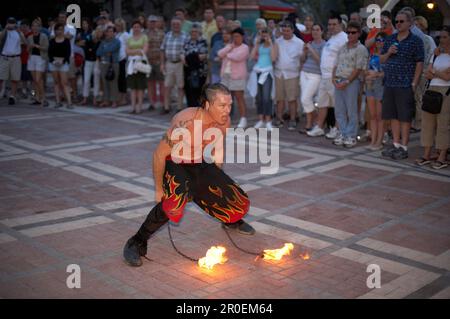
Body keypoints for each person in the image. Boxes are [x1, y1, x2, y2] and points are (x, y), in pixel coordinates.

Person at [122, 83, 254, 267]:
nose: (228, 110)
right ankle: (136, 242)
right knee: (174, 202)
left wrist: (216, 178)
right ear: (208, 105)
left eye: (230, 105)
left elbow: (218, 147)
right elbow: (159, 154)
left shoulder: (224, 121)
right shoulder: (185, 122)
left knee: (235, 198)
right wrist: (159, 189)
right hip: (174, 161)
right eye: (222, 106)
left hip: (197, 162)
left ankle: (229, 220)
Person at [380, 10, 424, 160]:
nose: (398, 24)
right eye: (397, 21)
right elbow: (381, 59)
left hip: (405, 84)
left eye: (402, 21)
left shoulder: (416, 41)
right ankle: (396, 144)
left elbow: (419, 62)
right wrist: (389, 52)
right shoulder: (390, 39)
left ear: (410, 23)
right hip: (390, 83)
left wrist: (414, 82)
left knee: (404, 117)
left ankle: (404, 147)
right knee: (393, 116)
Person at [308, 13, 347, 138]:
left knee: (339, 105)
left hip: (334, 77)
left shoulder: (343, 38)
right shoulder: (332, 38)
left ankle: (337, 128)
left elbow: (345, 60)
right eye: (329, 24)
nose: (331, 27)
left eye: (334, 24)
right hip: (324, 76)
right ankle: (319, 127)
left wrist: (338, 77)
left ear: (340, 24)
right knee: (322, 103)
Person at [416, 26, 450, 169]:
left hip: (446, 92)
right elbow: (428, 73)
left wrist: (436, 72)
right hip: (432, 89)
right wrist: (440, 73)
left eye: (444, 37)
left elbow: (448, 77)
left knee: (443, 124)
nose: (441, 40)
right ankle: (427, 154)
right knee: (427, 123)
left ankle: (442, 156)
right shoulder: (436, 54)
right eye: (440, 37)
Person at [331, 21, 368, 148]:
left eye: (353, 32)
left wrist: (347, 81)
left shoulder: (361, 49)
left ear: (359, 34)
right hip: (339, 80)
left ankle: (351, 135)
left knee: (352, 109)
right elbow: (336, 64)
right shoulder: (342, 47)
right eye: (348, 32)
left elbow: (358, 68)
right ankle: (342, 132)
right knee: (339, 109)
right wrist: (333, 78)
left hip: (351, 82)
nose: (350, 35)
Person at [273, 20, 304, 131]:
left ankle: (293, 119)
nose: (285, 32)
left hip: (292, 74)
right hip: (279, 73)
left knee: (292, 99)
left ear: (292, 30)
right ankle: (279, 118)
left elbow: (302, 59)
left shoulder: (299, 43)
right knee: (279, 98)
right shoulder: (277, 41)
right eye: (284, 30)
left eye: (287, 30)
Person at [218, 27, 250, 128]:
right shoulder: (230, 46)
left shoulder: (245, 47)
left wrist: (228, 54)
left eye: (237, 36)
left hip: (238, 76)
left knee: (239, 97)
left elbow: (237, 57)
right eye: (234, 36)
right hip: (226, 76)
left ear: (242, 37)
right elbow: (219, 54)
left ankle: (243, 119)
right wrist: (229, 48)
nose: (236, 38)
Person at [248, 27, 278, 131]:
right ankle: (261, 120)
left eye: (266, 34)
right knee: (259, 97)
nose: (264, 36)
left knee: (266, 97)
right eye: (262, 35)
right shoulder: (259, 45)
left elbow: (274, 58)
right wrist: (256, 44)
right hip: (258, 71)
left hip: (267, 73)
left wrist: (270, 44)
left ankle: (268, 121)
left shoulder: (273, 45)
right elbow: (251, 56)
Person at [300, 23, 326, 133]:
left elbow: (321, 61)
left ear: (322, 32)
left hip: (316, 75)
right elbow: (302, 60)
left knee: (305, 99)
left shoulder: (325, 45)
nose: (315, 32)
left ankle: (315, 118)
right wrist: (304, 52)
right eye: (313, 30)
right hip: (304, 72)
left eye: (317, 29)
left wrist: (311, 49)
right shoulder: (309, 43)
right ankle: (309, 122)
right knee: (306, 99)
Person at [365, 32, 387, 151]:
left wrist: (377, 74)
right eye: (377, 40)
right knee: (372, 116)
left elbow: (388, 71)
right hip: (370, 86)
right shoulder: (372, 54)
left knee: (380, 116)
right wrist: (367, 75)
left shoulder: (387, 55)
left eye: (382, 40)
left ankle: (379, 141)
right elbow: (366, 69)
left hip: (381, 86)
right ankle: (373, 141)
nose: (379, 42)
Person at [160, 17, 187, 114]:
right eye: (174, 24)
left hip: (180, 64)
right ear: (171, 25)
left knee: (180, 86)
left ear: (181, 25)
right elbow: (162, 50)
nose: (176, 26)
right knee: (167, 86)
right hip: (169, 63)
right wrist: (162, 63)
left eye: (178, 24)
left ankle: (179, 107)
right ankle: (166, 107)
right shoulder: (167, 35)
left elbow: (187, 50)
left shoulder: (185, 36)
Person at [0, 17, 27, 105]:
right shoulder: (3, 32)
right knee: (1, 77)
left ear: (15, 24)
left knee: (15, 78)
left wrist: (20, 32)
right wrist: (5, 28)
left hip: (16, 58)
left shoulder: (19, 33)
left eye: (13, 23)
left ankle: (12, 96)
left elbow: (25, 43)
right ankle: (1, 93)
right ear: (7, 23)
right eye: (10, 22)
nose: (11, 24)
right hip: (4, 57)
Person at [182, 23, 208, 108]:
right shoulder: (186, 41)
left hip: (199, 71)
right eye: (192, 31)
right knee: (188, 91)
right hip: (188, 71)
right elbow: (182, 54)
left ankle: (199, 112)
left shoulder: (203, 41)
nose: (194, 33)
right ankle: (191, 111)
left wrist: (189, 57)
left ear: (199, 32)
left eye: (196, 31)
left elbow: (202, 56)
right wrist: (192, 57)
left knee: (198, 91)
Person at [126, 20, 149, 115]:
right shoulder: (130, 38)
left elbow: (144, 51)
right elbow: (127, 51)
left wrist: (134, 51)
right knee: (133, 86)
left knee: (140, 86)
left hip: (140, 63)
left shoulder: (144, 37)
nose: (136, 28)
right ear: (132, 28)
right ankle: (133, 106)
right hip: (131, 63)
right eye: (134, 27)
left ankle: (139, 106)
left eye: (138, 27)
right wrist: (137, 50)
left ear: (141, 28)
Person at [48, 22, 72, 108]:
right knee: (56, 83)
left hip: (63, 63)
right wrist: (53, 61)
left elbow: (68, 53)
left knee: (64, 83)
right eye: (58, 30)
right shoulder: (52, 41)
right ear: (55, 31)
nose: (59, 31)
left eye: (61, 30)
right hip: (53, 63)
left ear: (63, 31)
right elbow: (49, 53)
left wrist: (63, 61)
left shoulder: (66, 41)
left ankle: (69, 102)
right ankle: (58, 101)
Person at [97, 26, 120, 108]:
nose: (109, 33)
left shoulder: (117, 41)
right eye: (108, 31)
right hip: (103, 64)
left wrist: (106, 49)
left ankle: (114, 101)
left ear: (114, 33)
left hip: (113, 64)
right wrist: (107, 50)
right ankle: (106, 100)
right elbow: (98, 52)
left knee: (113, 83)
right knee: (105, 83)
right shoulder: (103, 42)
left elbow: (112, 49)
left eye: (111, 31)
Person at [27, 19, 49, 107]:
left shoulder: (43, 36)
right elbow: (28, 50)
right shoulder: (29, 37)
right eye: (33, 26)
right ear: (31, 27)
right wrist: (30, 47)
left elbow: (46, 48)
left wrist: (37, 46)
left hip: (41, 58)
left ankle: (44, 99)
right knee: (34, 80)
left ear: (40, 27)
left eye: (37, 26)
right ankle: (36, 97)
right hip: (31, 58)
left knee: (38, 79)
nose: (35, 28)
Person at [146, 15, 165, 110]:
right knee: (150, 83)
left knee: (161, 82)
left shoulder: (162, 34)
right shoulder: (144, 33)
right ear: (148, 23)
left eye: (154, 22)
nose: (152, 23)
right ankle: (152, 103)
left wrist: (163, 62)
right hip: (148, 62)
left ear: (157, 23)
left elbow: (163, 48)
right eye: (151, 22)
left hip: (158, 61)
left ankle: (162, 102)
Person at [80, 25, 101, 106]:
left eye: (100, 32)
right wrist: (91, 51)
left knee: (96, 80)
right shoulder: (89, 39)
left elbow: (98, 52)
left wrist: (91, 50)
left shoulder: (101, 42)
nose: (99, 33)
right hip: (88, 61)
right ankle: (85, 98)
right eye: (98, 31)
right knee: (86, 80)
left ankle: (95, 98)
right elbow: (86, 50)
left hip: (97, 61)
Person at [115, 18, 130, 106]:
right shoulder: (116, 35)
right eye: (116, 25)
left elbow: (128, 46)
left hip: (123, 59)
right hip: (116, 59)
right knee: (118, 80)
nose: (117, 27)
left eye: (119, 25)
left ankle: (124, 98)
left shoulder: (125, 35)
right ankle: (119, 96)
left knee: (123, 79)